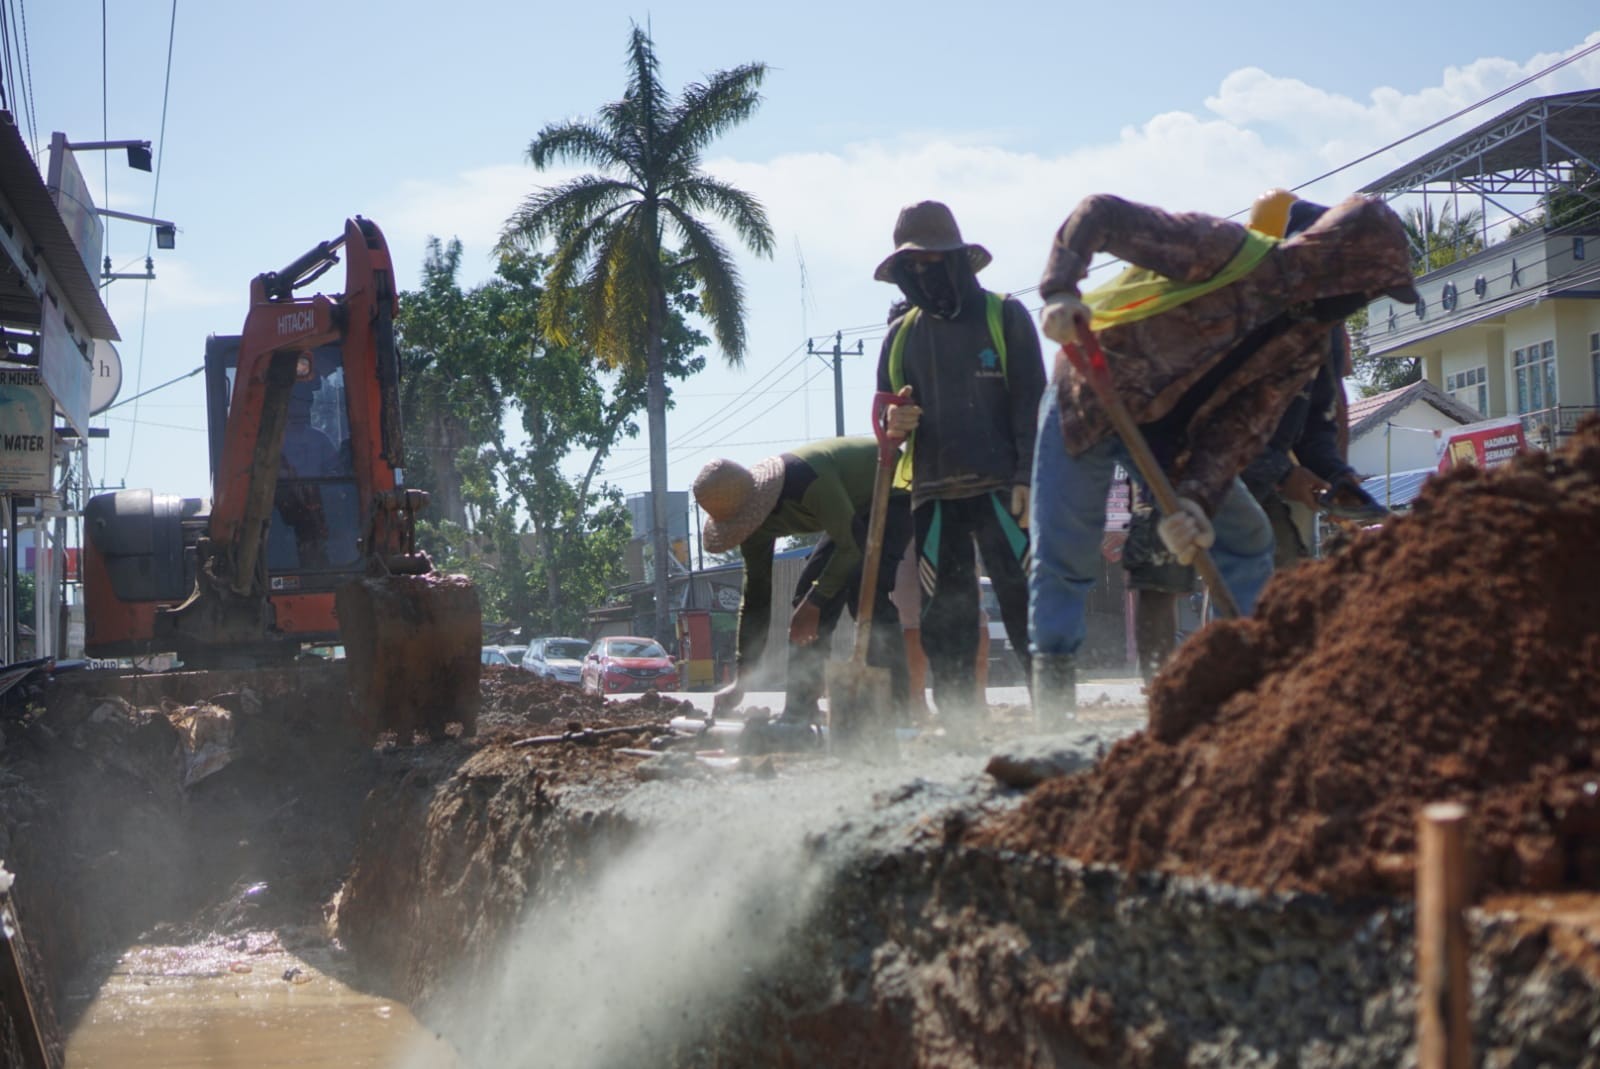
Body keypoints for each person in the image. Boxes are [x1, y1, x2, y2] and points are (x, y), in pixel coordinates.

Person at [1028, 192, 1420, 722]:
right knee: (1066, 551)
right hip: (1093, 396)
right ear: (1335, 259)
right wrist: (1059, 290)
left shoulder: (1303, 346)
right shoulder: (1224, 251)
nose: (1364, 298)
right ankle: (1053, 702)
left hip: (1173, 440)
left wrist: (1194, 501)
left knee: (1246, 537)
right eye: (1367, 283)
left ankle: (1239, 686)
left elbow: (1238, 429)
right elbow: (1100, 214)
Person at [873, 200, 1045, 733]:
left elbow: (1032, 403)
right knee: (945, 618)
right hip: (934, 495)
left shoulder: (1004, 316)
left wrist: (1026, 478)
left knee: (1026, 604)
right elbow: (885, 417)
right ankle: (961, 726)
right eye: (912, 268)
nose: (923, 276)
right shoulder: (901, 336)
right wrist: (897, 424)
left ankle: (1053, 711)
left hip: (1002, 489)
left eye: (932, 262)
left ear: (957, 260)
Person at [694, 437, 912, 732]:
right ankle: (800, 710)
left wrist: (816, 601)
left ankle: (896, 711)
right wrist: (742, 676)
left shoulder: (806, 481)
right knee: (805, 598)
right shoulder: (749, 527)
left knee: (865, 594)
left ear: (758, 502)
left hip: (892, 490)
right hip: (853, 512)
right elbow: (757, 597)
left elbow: (851, 546)